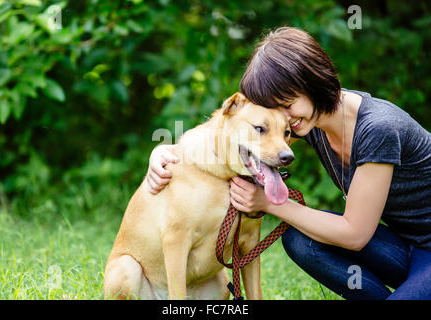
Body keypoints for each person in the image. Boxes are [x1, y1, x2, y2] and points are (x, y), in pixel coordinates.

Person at [145, 27, 431, 300]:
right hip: (409, 247)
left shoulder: (378, 129)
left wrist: (269, 203)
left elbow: (355, 234)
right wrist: (167, 151)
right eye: (274, 108)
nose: (283, 117)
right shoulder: (307, 119)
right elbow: (229, 135)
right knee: (301, 240)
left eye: (286, 103)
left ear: (312, 81)